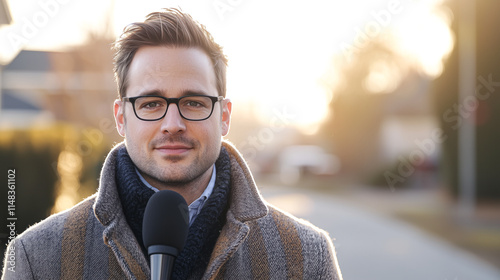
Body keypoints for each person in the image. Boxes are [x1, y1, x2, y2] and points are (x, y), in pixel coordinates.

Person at [2, 8, 342, 280]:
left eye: (194, 102)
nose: (173, 125)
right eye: (151, 104)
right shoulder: (38, 258)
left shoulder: (305, 257)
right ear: (121, 117)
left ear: (224, 115)